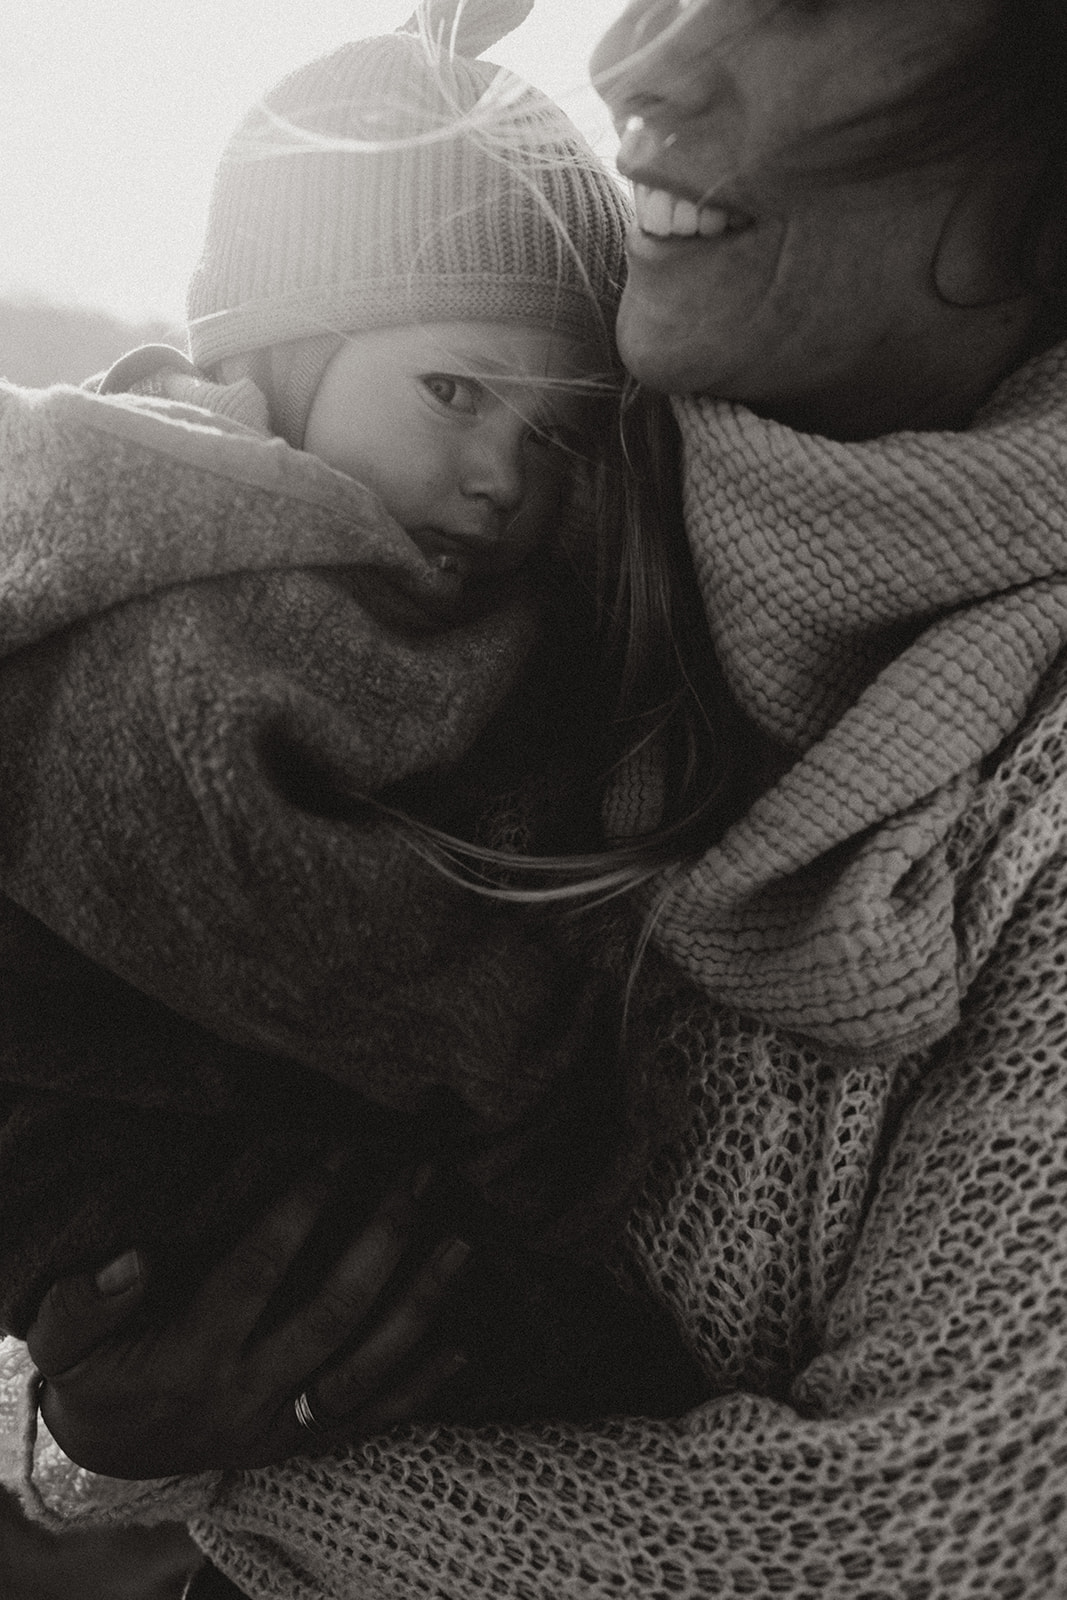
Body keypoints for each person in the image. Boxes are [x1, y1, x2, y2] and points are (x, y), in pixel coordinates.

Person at [12, 0, 1067, 1593]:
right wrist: (80, 1426)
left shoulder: (1014, 773)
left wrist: (226, 1467)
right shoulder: (547, 561)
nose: (634, 53)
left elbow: (920, 1545)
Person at [0, 0, 716, 1480]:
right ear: (284, 353)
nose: (501, 474)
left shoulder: (415, 586)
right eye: (455, 392)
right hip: (102, 1152)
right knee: (571, 1363)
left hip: (228, 1127)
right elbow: (281, 905)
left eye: (558, 436)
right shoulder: (189, 579)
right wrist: (539, 1067)